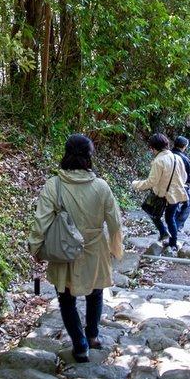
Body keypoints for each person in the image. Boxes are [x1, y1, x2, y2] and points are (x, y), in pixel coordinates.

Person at [29, 134, 123, 363]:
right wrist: (115, 248)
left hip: (64, 249)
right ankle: (92, 336)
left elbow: (41, 221)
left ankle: (79, 344)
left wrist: (35, 247)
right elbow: (115, 222)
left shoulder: (55, 185)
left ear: (66, 153)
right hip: (94, 248)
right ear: (90, 157)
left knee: (66, 298)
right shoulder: (101, 187)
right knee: (96, 292)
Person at [132, 133, 189, 252]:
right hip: (176, 194)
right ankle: (172, 244)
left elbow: (151, 182)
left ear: (153, 147)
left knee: (151, 212)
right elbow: (184, 177)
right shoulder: (177, 157)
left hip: (162, 195)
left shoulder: (159, 161)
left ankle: (163, 232)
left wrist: (136, 184)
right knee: (170, 219)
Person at [171, 135, 190, 233]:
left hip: (165, 185)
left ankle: (173, 223)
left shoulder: (167, 155)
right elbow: (188, 176)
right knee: (187, 204)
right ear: (184, 146)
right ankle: (176, 225)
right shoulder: (184, 159)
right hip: (179, 186)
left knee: (173, 205)